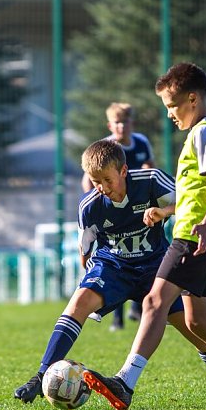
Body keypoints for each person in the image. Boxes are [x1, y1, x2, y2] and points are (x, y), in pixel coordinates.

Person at [82, 62, 206, 410]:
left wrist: (203, 223)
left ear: (192, 99)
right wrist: (166, 212)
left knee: (154, 302)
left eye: (172, 106)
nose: (169, 114)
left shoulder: (203, 133)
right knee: (197, 321)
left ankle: (125, 382)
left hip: (193, 237)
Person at [14, 138, 206, 405]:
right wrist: (92, 280)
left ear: (123, 171)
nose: (102, 188)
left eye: (107, 180)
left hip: (155, 266)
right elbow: (85, 249)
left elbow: (190, 203)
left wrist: (164, 211)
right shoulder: (89, 206)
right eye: (95, 181)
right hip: (113, 266)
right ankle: (40, 376)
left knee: (193, 327)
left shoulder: (152, 180)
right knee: (78, 303)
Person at [82, 103, 155, 331]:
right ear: (110, 126)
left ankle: (138, 306)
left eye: (125, 122)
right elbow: (90, 178)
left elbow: (149, 168)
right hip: (113, 208)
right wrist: (95, 202)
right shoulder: (105, 148)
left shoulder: (141, 142)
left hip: (138, 207)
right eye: (117, 123)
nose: (122, 126)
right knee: (116, 257)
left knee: (143, 253)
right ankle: (117, 318)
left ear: (132, 123)